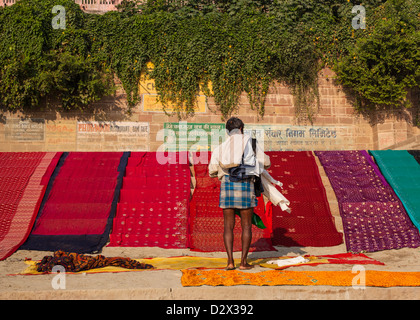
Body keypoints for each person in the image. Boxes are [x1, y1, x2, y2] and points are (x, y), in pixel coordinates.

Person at [208, 117, 271, 270]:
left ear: (228, 131)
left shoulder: (220, 147)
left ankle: (230, 261)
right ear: (242, 128)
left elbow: (212, 171)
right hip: (246, 186)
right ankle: (243, 262)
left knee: (228, 226)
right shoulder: (251, 144)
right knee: (246, 226)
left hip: (227, 186)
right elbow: (267, 163)